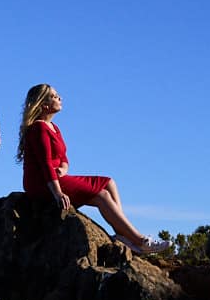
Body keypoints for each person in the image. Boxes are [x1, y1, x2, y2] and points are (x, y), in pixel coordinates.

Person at [16, 84, 170, 255]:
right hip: (43, 184)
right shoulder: (39, 128)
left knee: (109, 182)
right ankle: (140, 241)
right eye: (54, 96)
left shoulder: (54, 128)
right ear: (44, 104)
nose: (59, 98)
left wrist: (64, 168)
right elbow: (45, 164)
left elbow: (64, 158)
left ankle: (122, 234)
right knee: (101, 195)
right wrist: (58, 193)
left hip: (56, 177)